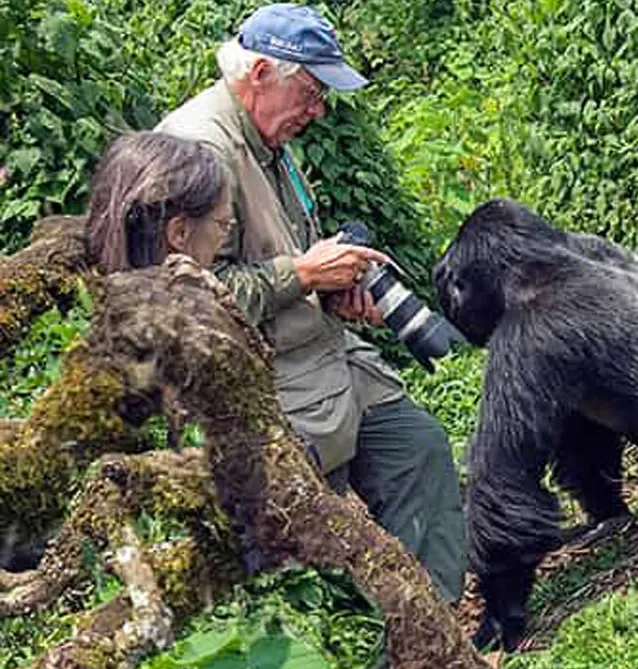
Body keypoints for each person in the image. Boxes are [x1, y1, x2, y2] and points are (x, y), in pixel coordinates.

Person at [154, 3, 466, 604]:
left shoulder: (266, 136)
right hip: (265, 379)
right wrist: (301, 274)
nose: (318, 111)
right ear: (262, 71)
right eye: (312, 91)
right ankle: (363, 637)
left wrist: (331, 290)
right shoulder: (201, 149)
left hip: (322, 353)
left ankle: (430, 636)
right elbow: (184, 299)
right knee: (302, 553)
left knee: (419, 450)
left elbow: (278, 255)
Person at [86, 131, 233, 272]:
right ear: (180, 232)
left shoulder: (78, 289)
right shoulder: (180, 297)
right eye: (223, 224)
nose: (224, 239)